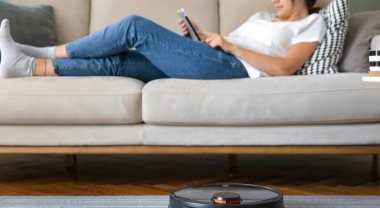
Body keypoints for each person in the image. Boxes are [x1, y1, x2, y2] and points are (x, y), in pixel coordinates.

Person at [0, 0, 326, 81]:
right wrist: (198, 38)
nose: (273, 1)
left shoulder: (313, 23)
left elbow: (284, 68)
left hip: (235, 69)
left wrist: (228, 45)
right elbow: (223, 44)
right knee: (122, 62)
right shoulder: (263, 18)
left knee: (134, 27)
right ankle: (27, 65)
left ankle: (42, 50)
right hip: (213, 57)